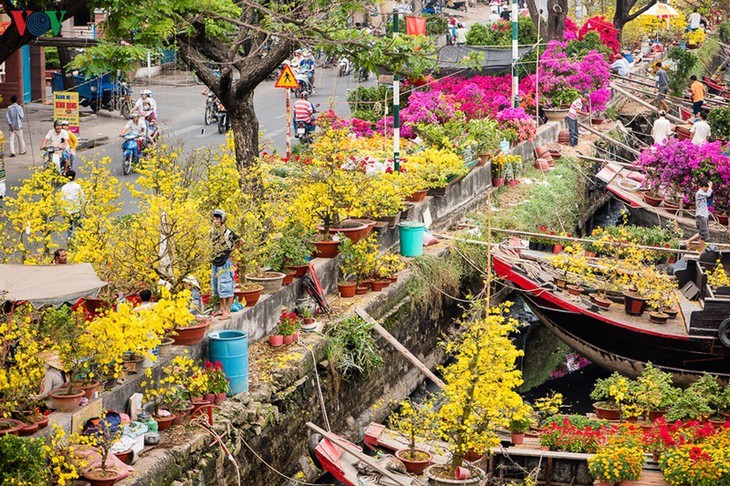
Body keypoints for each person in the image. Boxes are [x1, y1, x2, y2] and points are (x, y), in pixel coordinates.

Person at [210, 209, 242, 320]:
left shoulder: (227, 232)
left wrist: (231, 250)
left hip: (225, 263)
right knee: (218, 287)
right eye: (214, 218)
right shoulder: (213, 231)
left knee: (227, 286)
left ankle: (227, 311)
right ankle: (222, 309)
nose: (216, 220)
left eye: (218, 218)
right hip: (215, 262)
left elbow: (241, 241)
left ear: (222, 219)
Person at [686, 180, 713, 253]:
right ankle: (701, 253)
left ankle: (688, 241)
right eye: (707, 187)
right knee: (703, 235)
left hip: (703, 215)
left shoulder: (702, 193)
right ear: (703, 187)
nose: (707, 189)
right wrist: (710, 187)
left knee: (703, 232)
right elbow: (708, 195)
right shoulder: (699, 192)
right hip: (701, 216)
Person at [60, 170, 84, 239]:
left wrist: (62, 211)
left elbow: (62, 200)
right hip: (76, 210)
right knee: (78, 227)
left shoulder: (63, 188)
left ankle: (69, 240)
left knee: (68, 228)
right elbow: (82, 198)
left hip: (67, 211)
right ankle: (80, 239)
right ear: (74, 177)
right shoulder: (78, 186)